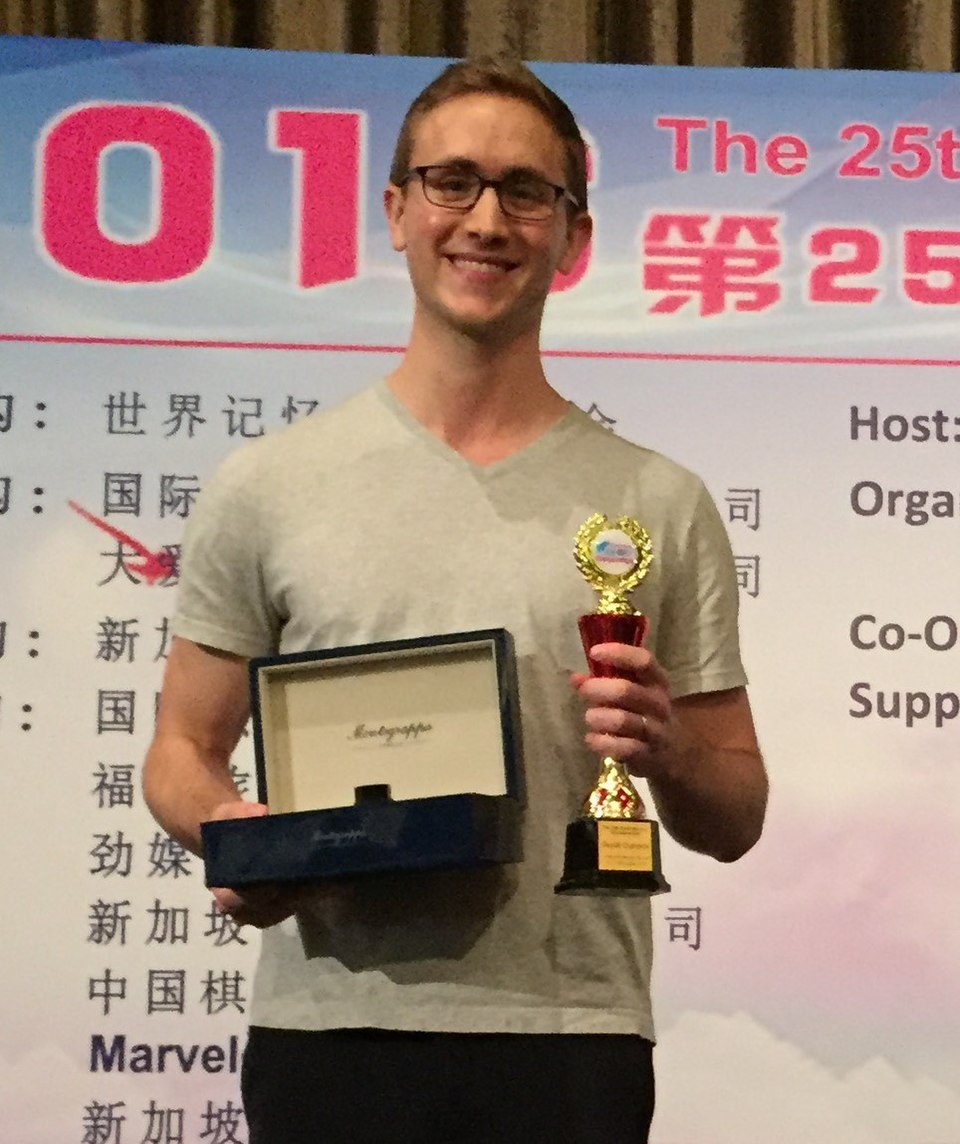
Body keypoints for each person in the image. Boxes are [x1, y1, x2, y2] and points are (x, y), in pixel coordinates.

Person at [144, 55, 767, 1144]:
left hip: (570, 1037)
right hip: (329, 1029)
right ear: (396, 211)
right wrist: (242, 839)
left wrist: (668, 748)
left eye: (526, 190)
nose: (486, 219)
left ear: (573, 236)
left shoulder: (657, 503)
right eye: (452, 181)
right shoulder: (269, 484)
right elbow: (179, 750)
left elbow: (738, 813)